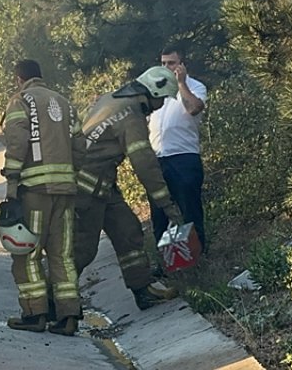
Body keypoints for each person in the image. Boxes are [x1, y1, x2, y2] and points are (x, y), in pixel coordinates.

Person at [73, 67, 186, 310]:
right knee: (82, 248)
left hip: (103, 185)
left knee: (128, 231)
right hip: (86, 189)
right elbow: (144, 162)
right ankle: (58, 299)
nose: (160, 105)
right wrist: (167, 204)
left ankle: (143, 289)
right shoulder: (131, 115)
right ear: (153, 92)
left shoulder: (111, 99)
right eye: (162, 99)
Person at [0, 60, 84, 336]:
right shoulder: (64, 103)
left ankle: (35, 313)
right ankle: (69, 315)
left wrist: (12, 184)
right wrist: (70, 176)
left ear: (18, 79)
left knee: (28, 253)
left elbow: (17, 142)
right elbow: (80, 147)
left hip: (35, 192)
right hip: (66, 192)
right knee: (62, 255)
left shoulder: (21, 101)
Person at [149, 47, 208, 253]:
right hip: (159, 159)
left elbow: (193, 108)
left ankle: (199, 255)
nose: (166, 67)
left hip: (183, 158)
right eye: (163, 63)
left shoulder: (195, 87)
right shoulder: (158, 91)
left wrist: (181, 83)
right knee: (158, 215)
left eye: (171, 63)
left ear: (182, 65)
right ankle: (165, 262)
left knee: (189, 210)